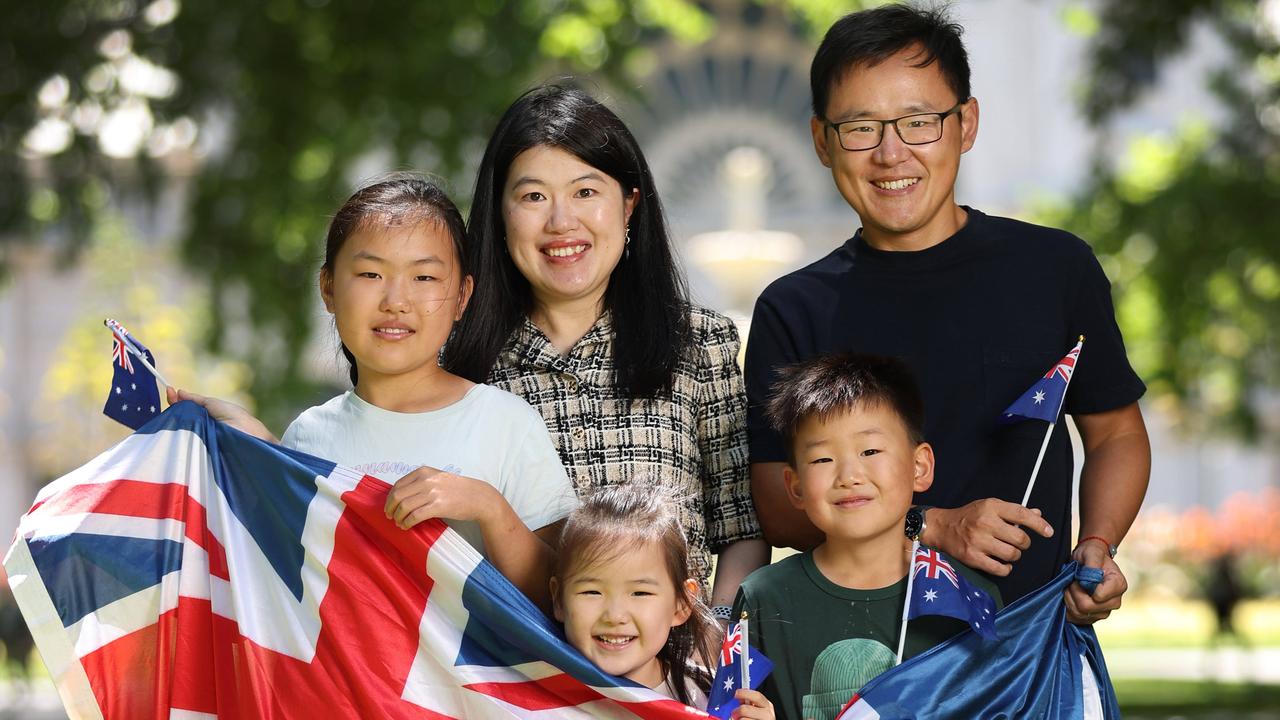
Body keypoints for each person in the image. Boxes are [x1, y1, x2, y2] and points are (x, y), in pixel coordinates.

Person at [744, 4, 1151, 616]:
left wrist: (1097, 544)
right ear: (822, 141)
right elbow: (778, 500)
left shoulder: (1054, 268)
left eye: (918, 122)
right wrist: (928, 525)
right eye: (860, 127)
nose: (890, 154)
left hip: (1031, 639)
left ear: (966, 124)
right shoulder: (794, 307)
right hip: (860, 657)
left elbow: (1116, 432)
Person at [170, 174, 577, 611]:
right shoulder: (308, 436)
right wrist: (260, 450)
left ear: (462, 296)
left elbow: (560, 594)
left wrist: (488, 507)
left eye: (424, 277)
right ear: (328, 287)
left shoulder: (505, 422)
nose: (396, 300)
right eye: (370, 273)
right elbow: (280, 593)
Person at [443, 85, 769, 617]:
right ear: (499, 215)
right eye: (532, 197)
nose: (561, 222)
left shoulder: (699, 345)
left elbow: (742, 529)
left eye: (586, 192)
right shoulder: (458, 366)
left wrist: (715, 648)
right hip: (508, 679)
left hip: (670, 679)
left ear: (629, 205)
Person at [733, 353, 999, 720]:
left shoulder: (966, 593)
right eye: (822, 459)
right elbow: (734, 706)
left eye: (870, 451)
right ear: (795, 487)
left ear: (919, 467)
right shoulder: (764, 598)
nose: (849, 475)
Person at [552, 481, 774, 718]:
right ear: (558, 599)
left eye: (640, 593)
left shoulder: (709, 698)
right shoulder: (531, 686)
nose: (615, 615)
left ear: (681, 604)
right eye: (592, 592)